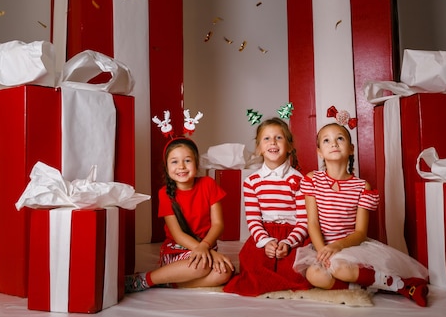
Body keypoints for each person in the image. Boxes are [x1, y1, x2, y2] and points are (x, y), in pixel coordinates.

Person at [293, 123, 430, 307]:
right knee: (314, 275)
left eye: (340, 138)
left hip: (350, 246)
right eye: (326, 140)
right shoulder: (312, 180)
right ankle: (364, 287)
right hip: (321, 246)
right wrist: (322, 252)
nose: (333, 143)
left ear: (351, 149)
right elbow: (313, 223)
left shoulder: (361, 187)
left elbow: (360, 233)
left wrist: (338, 246)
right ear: (319, 152)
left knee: (341, 268)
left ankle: (402, 286)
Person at [125, 137, 235, 292]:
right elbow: (177, 235)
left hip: (205, 245)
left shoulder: (208, 184)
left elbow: (218, 224)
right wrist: (206, 250)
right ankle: (146, 279)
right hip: (179, 249)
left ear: (197, 163)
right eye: (174, 162)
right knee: (201, 266)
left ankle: (167, 281)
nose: (181, 166)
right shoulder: (165, 193)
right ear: (166, 166)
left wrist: (206, 247)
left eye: (187, 161)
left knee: (224, 273)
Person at [223, 117, 312, 296]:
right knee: (251, 261)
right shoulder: (251, 182)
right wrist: (265, 241)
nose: (273, 142)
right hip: (265, 234)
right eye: (266, 138)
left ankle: (283, 279)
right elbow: (253, 219)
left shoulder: (300, 180)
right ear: (259, 148)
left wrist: (288, 242)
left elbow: (304, 221)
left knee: (298, 267)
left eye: (279, 138)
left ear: (290, 146)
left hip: (293, 234)